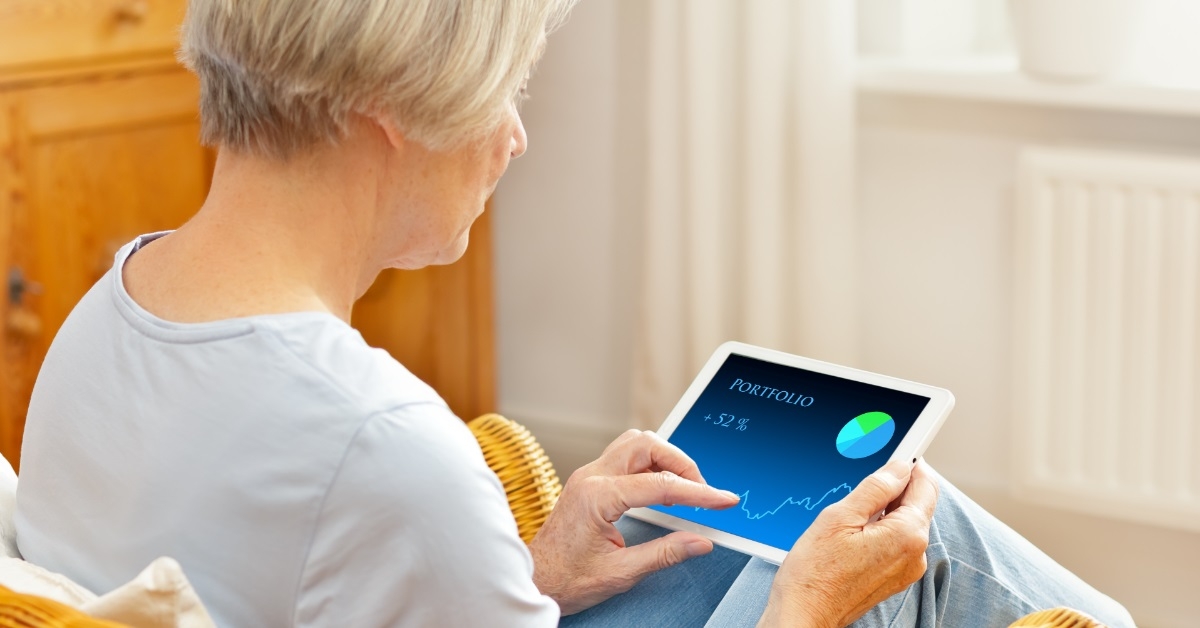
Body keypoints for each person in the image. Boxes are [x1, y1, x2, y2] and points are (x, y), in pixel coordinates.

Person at [14, 0, 1134, 626]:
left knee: (719, 532)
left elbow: (289, 570)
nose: (515, 138)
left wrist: (532, 572)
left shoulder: (110, 307)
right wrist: (807, 612)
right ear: (392, 112)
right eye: (504, 90)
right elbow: (354, 505)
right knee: (909, 556)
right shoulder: (384, 447)